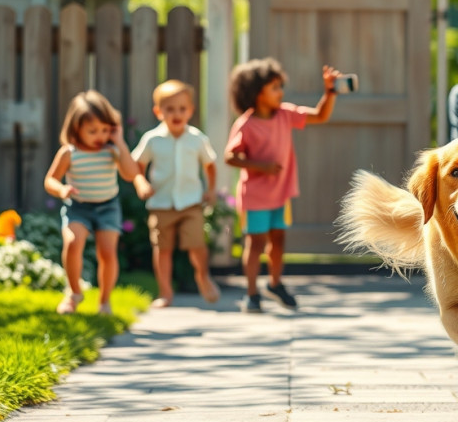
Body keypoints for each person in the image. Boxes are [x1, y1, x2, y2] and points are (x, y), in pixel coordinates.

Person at [225, 58, 343, 313]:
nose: (281, 92)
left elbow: (320, 115)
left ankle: (275, 283)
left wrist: (329, 92)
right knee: (255, 244)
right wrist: (261, 166)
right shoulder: (245, 125)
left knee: (278, 241)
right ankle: (252, 293)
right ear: (256, 93)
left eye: (280, 86)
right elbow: (230, 157)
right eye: (274, 87)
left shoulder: (285, 115)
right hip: (255, 197)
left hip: (280, 194)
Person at [44, 90, 139, 315]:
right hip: (78, 207)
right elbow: (50, 180)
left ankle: (104, 301)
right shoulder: (69, 153)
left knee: (107, 253)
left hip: (107, 207)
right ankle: (74, 292)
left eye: (105, 129)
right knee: (73, 242)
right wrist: (62, 189)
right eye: (93, 130)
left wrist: (120, 143)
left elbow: (130, 173)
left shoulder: (112, 151)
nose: (100, 135)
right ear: (76, 128)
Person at [132, 80, 220, 308]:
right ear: (158, 112)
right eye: (170, 109)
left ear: (190, 110)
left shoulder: (197, 139)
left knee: (197, 245)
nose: (177, 114)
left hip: (190, 203)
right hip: (161, 204)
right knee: (162, 249)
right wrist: (140, 183)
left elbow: (210, 165)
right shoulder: (152, 139)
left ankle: (202, 275)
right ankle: (165, 292)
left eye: (182, 109)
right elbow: (137, 165)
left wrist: (211, 190)